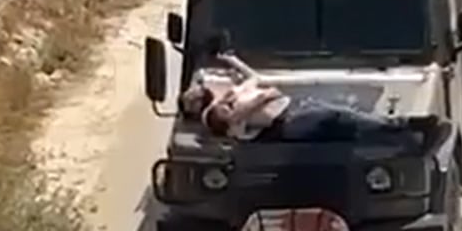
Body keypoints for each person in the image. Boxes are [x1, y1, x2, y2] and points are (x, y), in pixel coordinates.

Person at [179, 52, 421, 148]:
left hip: (294, 108)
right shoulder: (215, 118)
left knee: (344, 124)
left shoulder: (229, 97)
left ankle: (402, 136)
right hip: (286, 124)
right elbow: (261, 97)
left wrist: (232, 61)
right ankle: (400, 127)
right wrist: (256, 97)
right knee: (339, 118)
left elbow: (255, 79)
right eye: (189, 99)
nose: (192, 93)